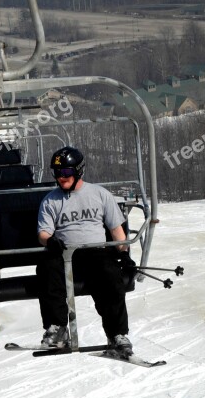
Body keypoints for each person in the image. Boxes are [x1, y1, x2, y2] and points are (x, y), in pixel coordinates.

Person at [36, 147, 136, 356]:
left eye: (66, 173)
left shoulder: (99, 194)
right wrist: (50, 241)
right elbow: (43, 233)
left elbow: (116, 230)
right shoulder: (50, 200)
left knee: (111, 276)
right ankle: (57, 329)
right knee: (46, 270)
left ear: (78, 171)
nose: (61, 178)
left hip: (96, 253)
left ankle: (117, 334)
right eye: (57, 173)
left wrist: (124, 254)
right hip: (65, 255)